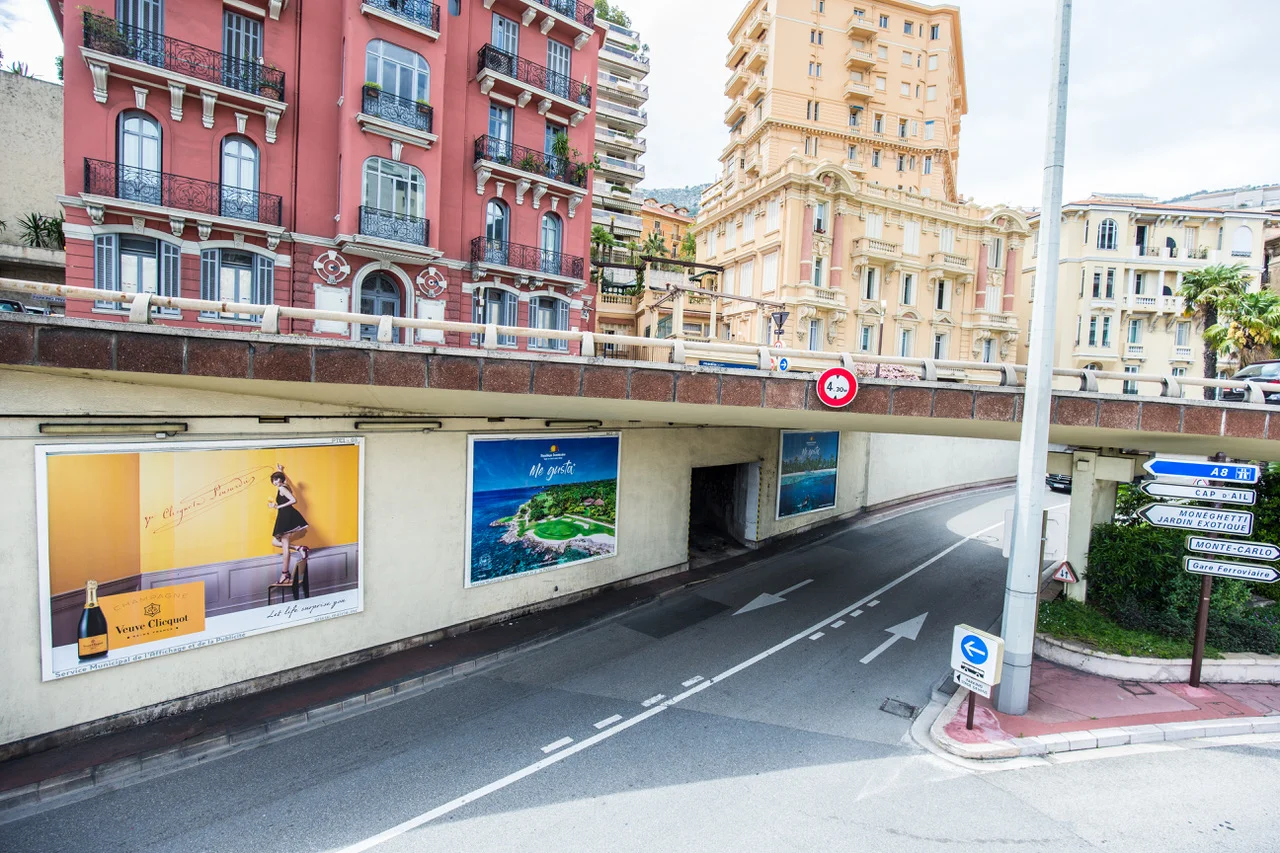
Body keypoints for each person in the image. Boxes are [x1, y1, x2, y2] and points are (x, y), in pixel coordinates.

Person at [269, 464, 310, 585]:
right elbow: (286, 481)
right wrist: (280, 471)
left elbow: (293, 500)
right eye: (274, 480)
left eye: (277, 479)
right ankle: (299, 548)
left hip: (286, 517)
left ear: (281, 480)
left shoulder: (282, 488)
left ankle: (285, 574)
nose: (275, 482)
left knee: (285, 546)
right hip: (285, 516)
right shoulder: (284, 485)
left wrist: (277, 506)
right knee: (275, 542)